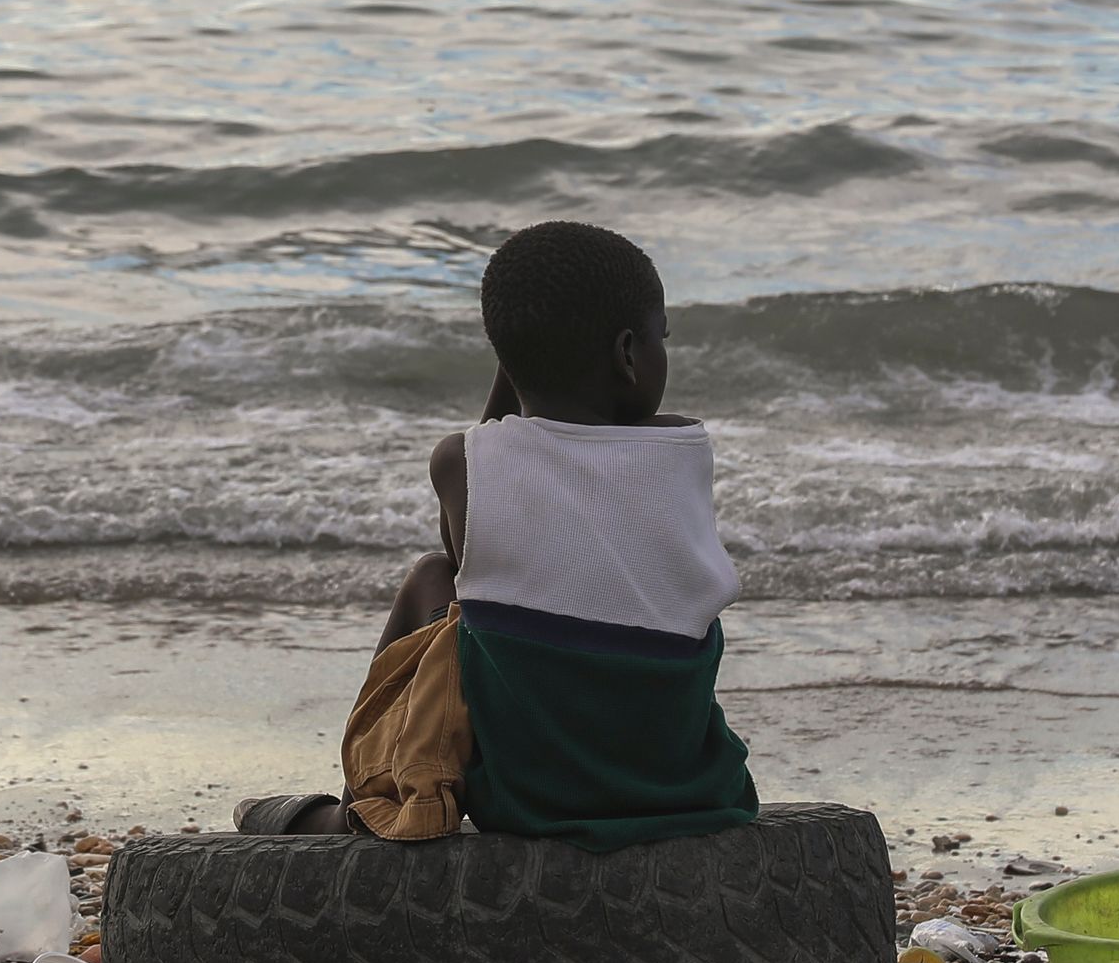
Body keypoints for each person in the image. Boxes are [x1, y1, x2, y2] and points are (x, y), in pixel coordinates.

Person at [243, 221, 759, 849]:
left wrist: (517, 364)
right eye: (661, 340)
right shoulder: (683, 447)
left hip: (527, 798)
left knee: (432, 578)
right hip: (691, 785)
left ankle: (356, 808)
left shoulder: (460, 461)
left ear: (508, 365)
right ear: (628, 353)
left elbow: (469, 567)